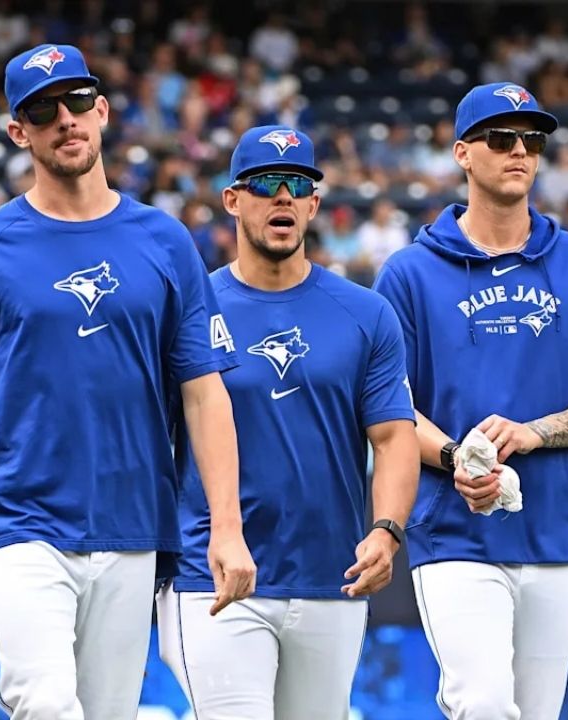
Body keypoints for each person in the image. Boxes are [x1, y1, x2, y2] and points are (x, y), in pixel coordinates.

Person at [0, 43, 256, 720]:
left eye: (75, 102)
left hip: (132, 522)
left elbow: (205, 393)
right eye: (41, 111)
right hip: (18, 522)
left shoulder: (166, 239)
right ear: (18, 132)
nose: (63, 119)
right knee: (44, 703)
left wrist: (226, 529)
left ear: (102, 110)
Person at [156, 125, 420, 719]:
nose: (282, 196)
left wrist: (387, 530)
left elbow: (394, 436)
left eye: (297, 185)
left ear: (313, 204)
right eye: (265, 183)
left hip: (332, 575)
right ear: (232, 199)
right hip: (214, 574)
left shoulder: (365, 313)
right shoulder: (188, 308)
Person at [372, 83, 568, 720]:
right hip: (453, 529)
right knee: (483, 704)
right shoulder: (408, 274)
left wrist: (533, 433)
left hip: (556, 528)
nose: (520, 153)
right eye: (501, 139)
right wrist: (458, 460)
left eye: (532, 141)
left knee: (535, 713)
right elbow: (388, 409)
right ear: (462, 154)